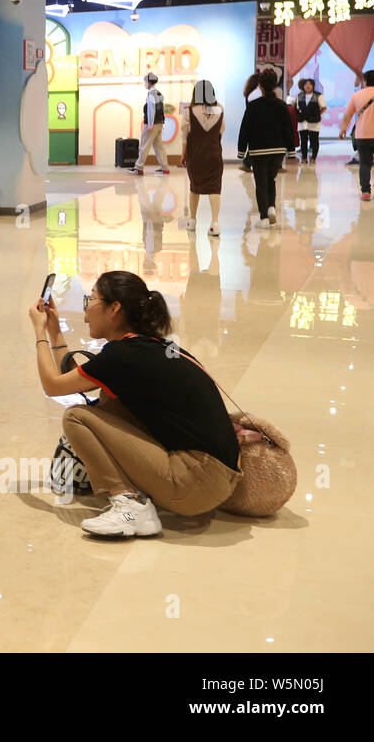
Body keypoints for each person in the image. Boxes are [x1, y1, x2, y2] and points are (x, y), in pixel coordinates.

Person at [29, 271, 248, 537]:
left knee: (76, 417)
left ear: (114, 308)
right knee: (108, 401)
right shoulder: (150, 348)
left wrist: (39, 331)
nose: (85, 312)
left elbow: (53, 385)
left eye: (91, 299)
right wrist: (55, 332)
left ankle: (131, 506)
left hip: (194, 484)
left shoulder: (123, 357)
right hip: (218, 479)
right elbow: (70, 379)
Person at [237, 69, 294, 228]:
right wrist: (291, 151)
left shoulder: (253, 106)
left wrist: (241, 151)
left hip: (258, 152)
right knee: (271, 180)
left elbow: (245, 129)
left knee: (260, 184)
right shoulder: (282, 106)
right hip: (277, 151)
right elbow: (288, 129)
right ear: (275, 85)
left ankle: (263, 218)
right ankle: (271, 208)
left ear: (260, 85)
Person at [179, 79, 224, 236]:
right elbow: (221, 131)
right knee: (214, 188)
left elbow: (184, 137)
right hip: (214, 154)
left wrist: (183, 155)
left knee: (194, 186)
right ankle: (215, 223)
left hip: (195, 155)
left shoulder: (188, 112)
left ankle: (192, 221)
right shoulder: (219, 109)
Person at [338, 69, 374, 202]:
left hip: (363, 135)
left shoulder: (357, 95)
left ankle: (365, 192)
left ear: (364, 81)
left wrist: (343, 129)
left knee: (364, 163)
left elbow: (348, 115)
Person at [129, 71, 170, 175]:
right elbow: (160, 109)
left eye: (145, 81)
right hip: (159, 123)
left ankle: (138, 168)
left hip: (151, 124)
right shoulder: (159, 93)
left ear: (149, 82)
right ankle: (165, 168)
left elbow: (151, 110)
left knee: (144, 145)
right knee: (159, 146)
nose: (144, 84)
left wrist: (150, 124)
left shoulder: (151, 94)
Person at [294, 78, 326, 164]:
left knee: (314, 140)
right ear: (303, 86)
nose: (307, 86)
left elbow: (323, 107)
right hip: (302, 121)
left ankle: (313, 158)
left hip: (314, 121)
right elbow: (296, 108)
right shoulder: (299, 95)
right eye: (305, 84)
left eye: (310, 84)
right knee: (303, 140)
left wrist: (317, 114)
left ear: (313, 86)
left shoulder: (318, 95)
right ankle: (304, 158)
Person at [239, 72, 260, 173]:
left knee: (253, 144)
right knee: (255, 145)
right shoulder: (255, 95)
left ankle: (247, 163)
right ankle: (246, 163)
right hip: (256, 122)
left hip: (251, 122)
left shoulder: (250, 94)